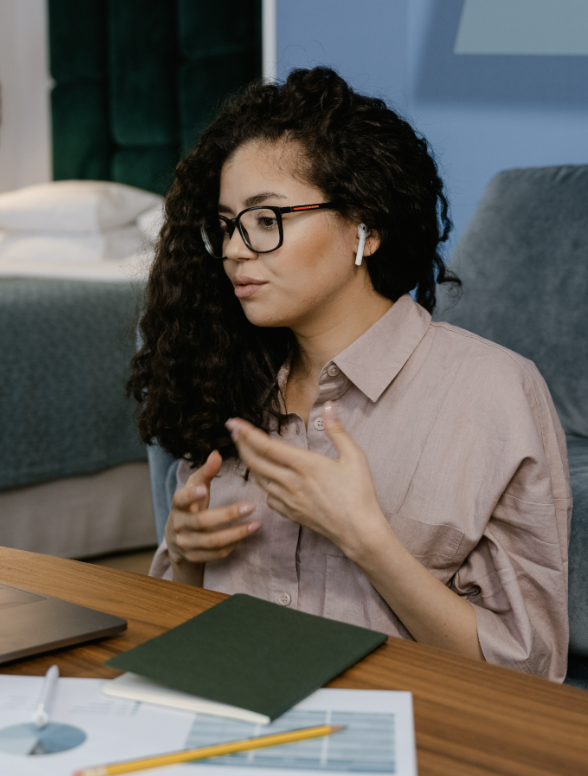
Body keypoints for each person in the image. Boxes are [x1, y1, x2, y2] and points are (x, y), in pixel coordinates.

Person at [128, 67, 571, 681]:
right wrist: (184, 556)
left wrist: (365, 537)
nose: (234, 250)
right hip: (227, 712)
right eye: (228, 224)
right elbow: (180, 632)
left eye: (265, 220)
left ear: (366, 227)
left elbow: (528, 673)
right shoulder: (223, 377)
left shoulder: (492, 392)